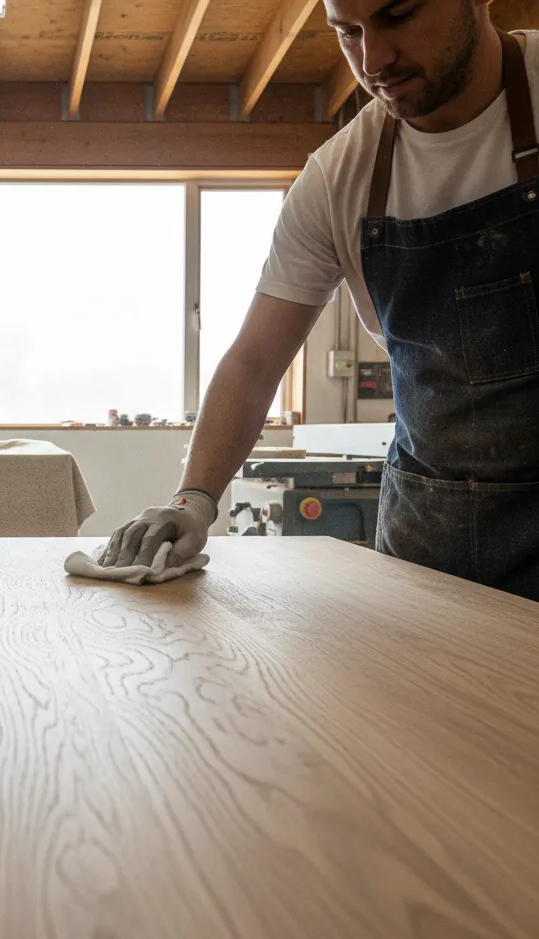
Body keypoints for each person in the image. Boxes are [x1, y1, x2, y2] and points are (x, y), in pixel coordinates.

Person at [100, 0, 539, 601]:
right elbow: (253, 364)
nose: (374, 58)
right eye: (348, 33)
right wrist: (193, 499)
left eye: (399, 16)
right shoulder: (339, 178)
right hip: (429, 544)